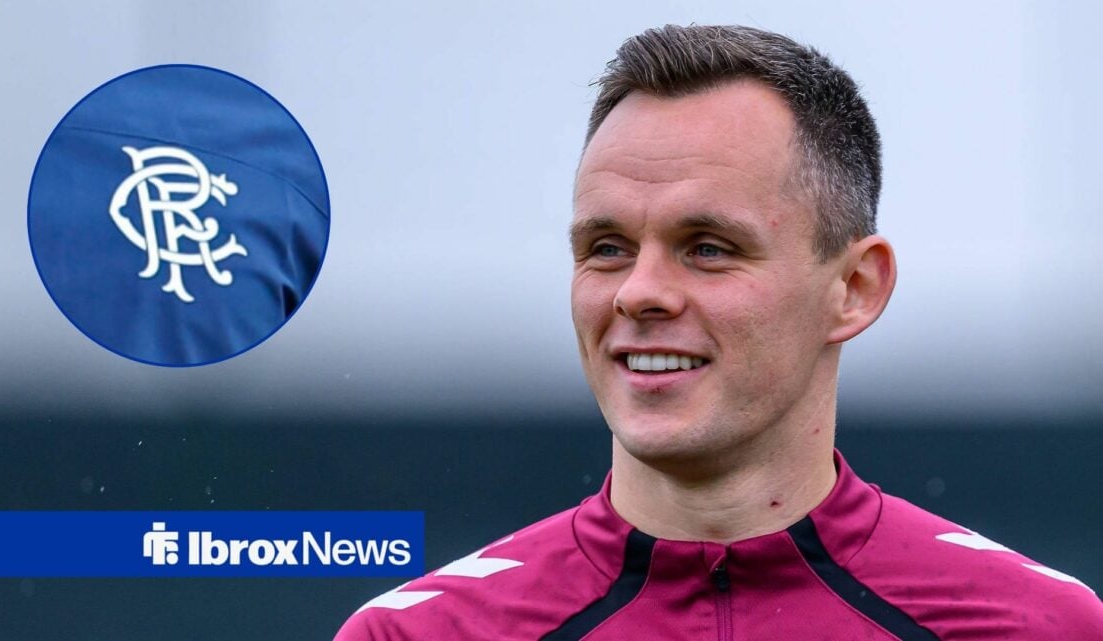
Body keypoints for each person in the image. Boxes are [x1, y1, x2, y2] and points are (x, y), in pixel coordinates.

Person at [337, 24, 1103, 640]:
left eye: (707, 247)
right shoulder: (421, 632)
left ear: (854, 288)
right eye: (607, 248)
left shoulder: (1035, 626)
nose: (639, 292)